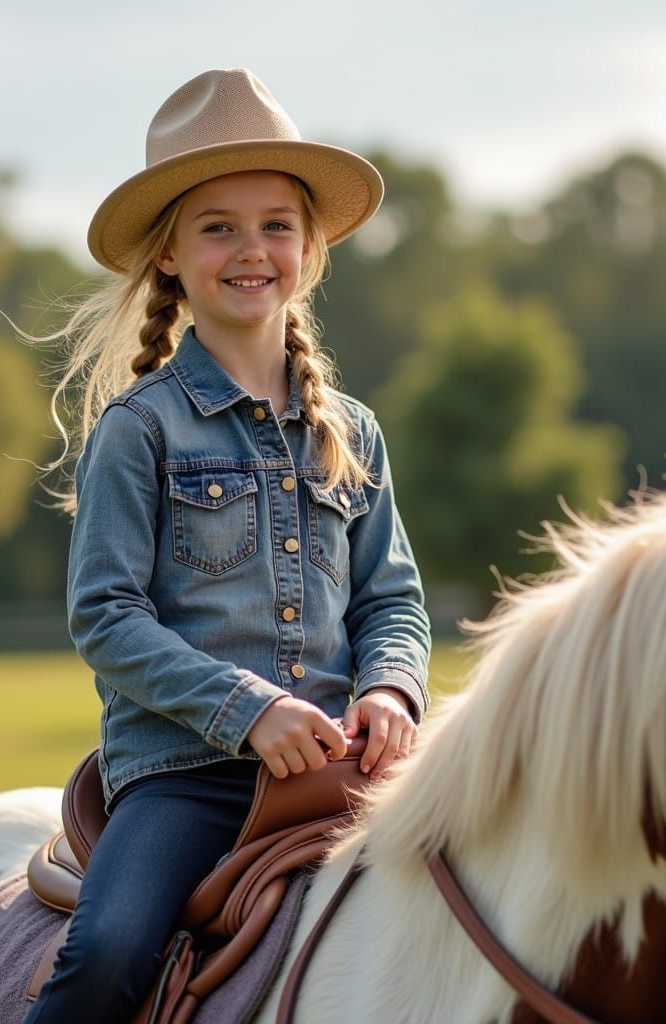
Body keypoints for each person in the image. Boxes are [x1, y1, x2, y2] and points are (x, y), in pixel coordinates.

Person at [24, 68, 431, 1023]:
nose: (252, 250)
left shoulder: (355, 433)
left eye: (276, 224)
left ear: (310, 248)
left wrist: (389, 688)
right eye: (219, 227)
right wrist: (248, 710)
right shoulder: (141, 430)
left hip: (347, 772)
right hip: (189, 778)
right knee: (109, 954)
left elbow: (393, 602)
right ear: (169, 255)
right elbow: (107, 618)